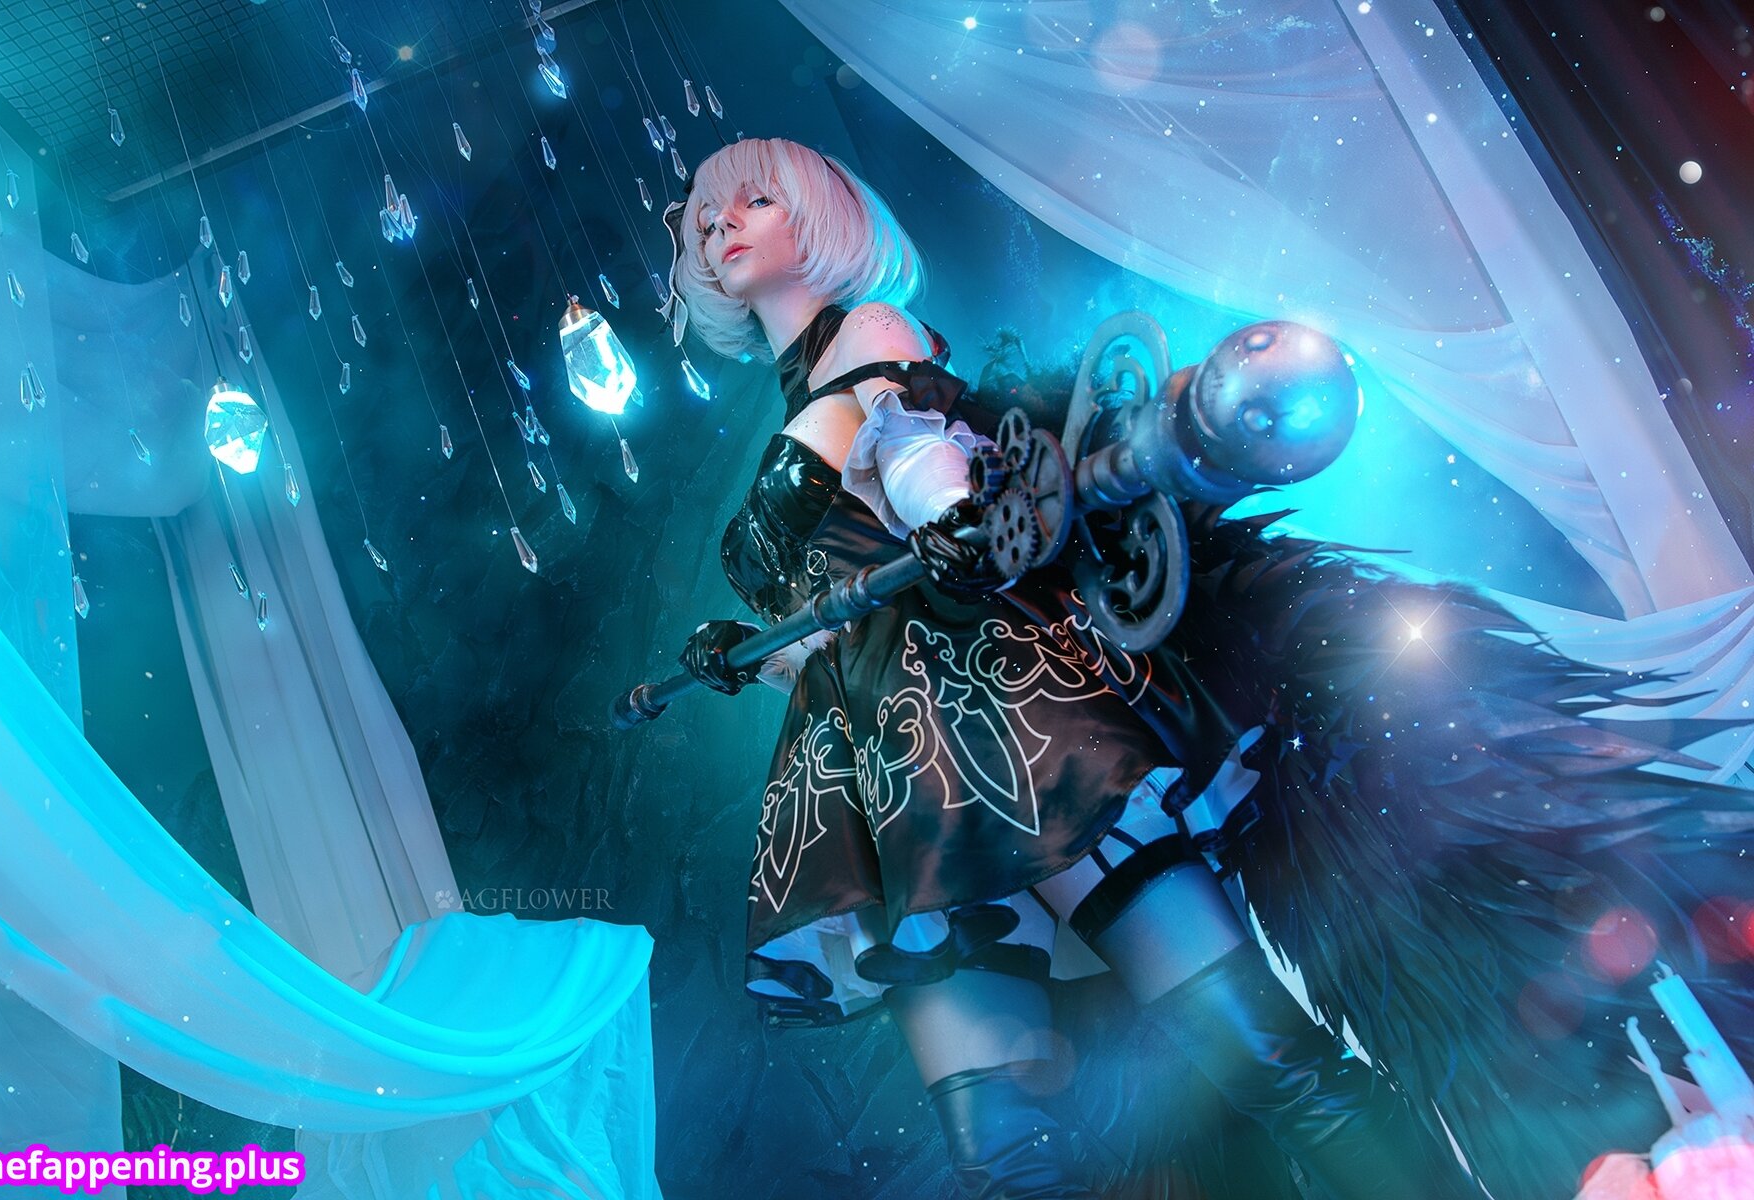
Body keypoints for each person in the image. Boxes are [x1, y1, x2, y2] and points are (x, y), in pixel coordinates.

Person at [664, 137, 1754, 1200]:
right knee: (993, 1148)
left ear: (821, 215)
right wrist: (752, 658)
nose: (722, 228)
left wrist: (949, 514)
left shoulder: (871, 332)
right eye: (708, 218)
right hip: (901, 780)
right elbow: (844, 622)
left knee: (1261, 1057)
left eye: (753, 201)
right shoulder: (797, 395)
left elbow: (927, 477)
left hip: (1006, 732)